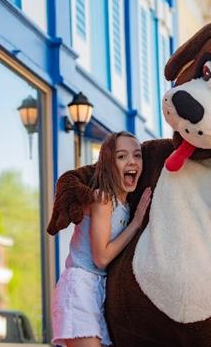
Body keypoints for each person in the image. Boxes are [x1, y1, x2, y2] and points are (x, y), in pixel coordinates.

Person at [51, 131, 152, 347]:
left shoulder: (124, 205)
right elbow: (102, 258)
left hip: (100, 290)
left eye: (137, 155)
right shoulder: (103, 199)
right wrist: (135, 224)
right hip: (80, 287)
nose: (132, 161)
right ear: (108, 163)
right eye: (122, 156)